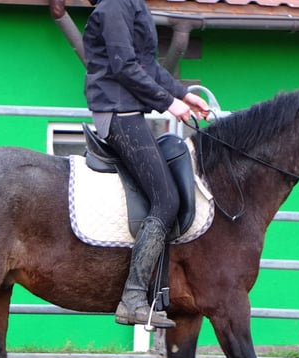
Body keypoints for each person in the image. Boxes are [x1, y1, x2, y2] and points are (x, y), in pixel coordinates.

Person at [83, 0, 210, 329]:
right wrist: (169, 104)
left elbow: (147, 66)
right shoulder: (114, 6)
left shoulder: (129, 4)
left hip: (129, 111)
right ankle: (134, 298)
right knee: (166, 199)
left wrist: (183, 95)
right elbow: (124, 66)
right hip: (117, 112)